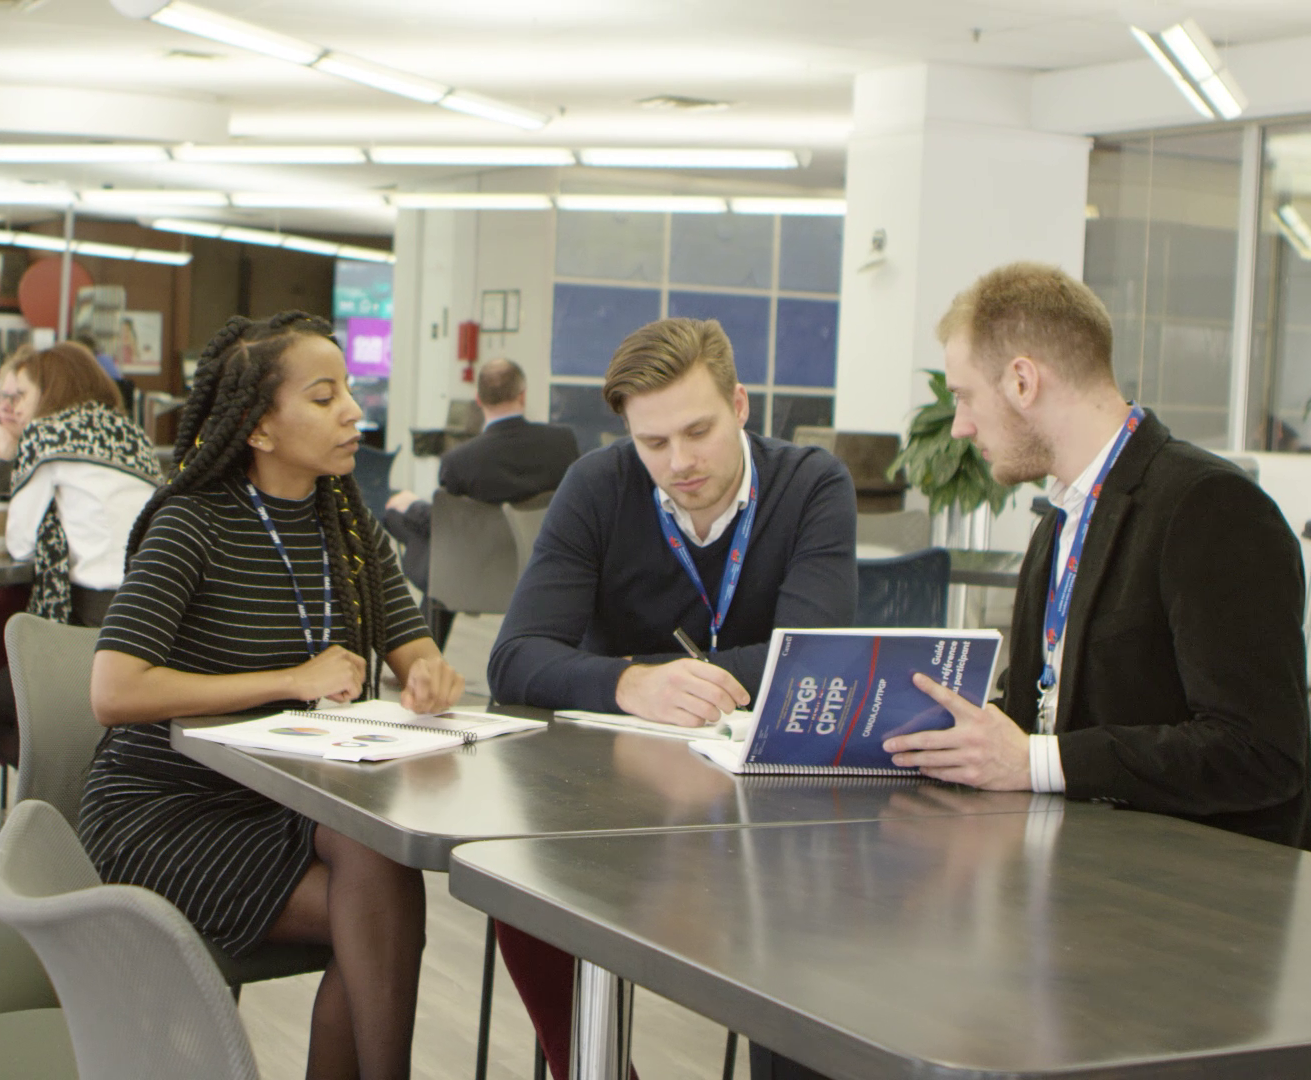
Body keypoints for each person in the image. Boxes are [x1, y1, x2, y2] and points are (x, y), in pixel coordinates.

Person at [756, 265, 1311, 1080]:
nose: (961, 426)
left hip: (1182, 916)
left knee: (866, 1009)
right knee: (805, 994)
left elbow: (1260, 753)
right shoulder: (1065, 520)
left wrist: (1034, 761)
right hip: (1072, 878)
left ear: (1023, 380)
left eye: (966, 396)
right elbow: (1040, 708)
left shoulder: (1209, 509)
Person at [82, 312, 463, 1080]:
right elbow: (113, 690)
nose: (354, 412)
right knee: (378, 921)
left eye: (349, 392)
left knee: (375, 859)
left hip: (287, 800)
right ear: (258, 427)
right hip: (168, 810)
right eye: (325, 398)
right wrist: (291, 681)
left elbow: (412, 647)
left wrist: (428, 673)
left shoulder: (348, 527)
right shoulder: (191, 523)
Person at [486, 317, 857, 1080]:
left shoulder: (813, 484)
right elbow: (516, 659)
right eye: (653, 443)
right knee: (518, 882)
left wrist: (643, 670)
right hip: (612, 796)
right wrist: (633, 683)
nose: (680, 462)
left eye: (699, 431)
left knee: (811, 917)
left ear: (742, 405)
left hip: (765, 808)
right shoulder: (599, 483)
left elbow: (813, 662)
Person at [0, 341, 161, 767]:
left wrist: (11, 455)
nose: (15, 409)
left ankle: (64, 790)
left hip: (95, 625)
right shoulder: (130, 433)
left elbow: (19, 544)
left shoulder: (48, 435)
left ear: (50, 394)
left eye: (21, 396)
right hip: (158, 622)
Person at [381, 357, 580, 639]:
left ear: (478, 399)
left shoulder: (459, 461)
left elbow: (448, 524)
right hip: (542, 569)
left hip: (471, 574)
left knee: (400, 519)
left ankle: (424, 656)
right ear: (522, 395)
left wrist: (411, 506)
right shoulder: (562, 443)